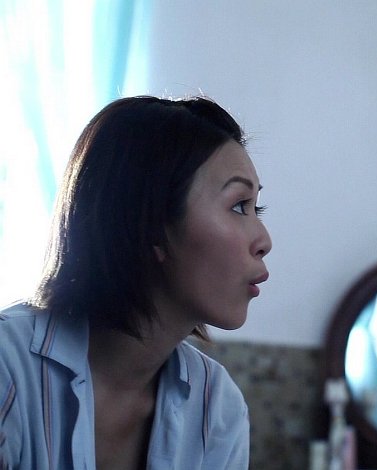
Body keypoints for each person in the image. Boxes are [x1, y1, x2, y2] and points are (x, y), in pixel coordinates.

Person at [0, 95, 272, 469]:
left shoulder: (216, 408)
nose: (264, 240)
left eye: (257, 208)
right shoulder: (9, 368)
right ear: (150, 225)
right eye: (239, 206)